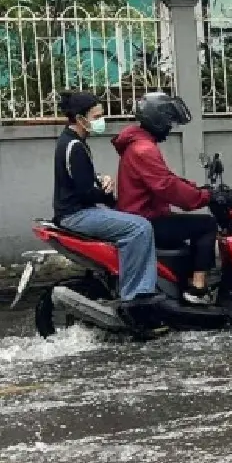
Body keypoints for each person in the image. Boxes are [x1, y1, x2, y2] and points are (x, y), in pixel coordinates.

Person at [53, 90, 158, 310]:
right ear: (81, 119)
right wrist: (108, 195)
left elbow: (80, 178)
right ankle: (135, 298)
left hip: (76, 211)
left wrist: (100, 179)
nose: (101, 121)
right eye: (96, 117)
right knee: (140, 227)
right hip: (76, 215)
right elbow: (84, 192)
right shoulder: (74, 146)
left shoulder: (72, 141)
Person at [114, 93, 217, 304]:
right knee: (206, 225)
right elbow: (167, 186)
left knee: (187, 241)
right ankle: (197, 291)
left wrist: (196, 188)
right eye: (169, 121)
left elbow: (166, 179)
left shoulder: (140, 144)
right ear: (157, 119)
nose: (170, 127)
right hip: (147, 219)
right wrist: (205, 196)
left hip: (145, 214)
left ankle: (179, 287)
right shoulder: (144, 149)